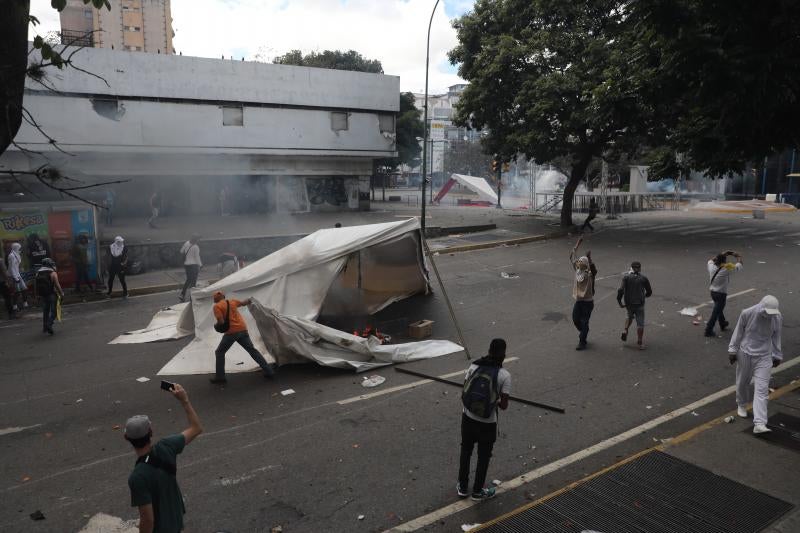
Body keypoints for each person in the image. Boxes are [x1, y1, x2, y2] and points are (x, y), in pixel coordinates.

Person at [125, 383, 203, 533]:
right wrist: (184, 400)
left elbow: (148, 520)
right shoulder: (166, 446)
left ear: (126, 437)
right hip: (176, 520)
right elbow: (196, 428)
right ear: (151, 432)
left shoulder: (137, 477)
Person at [458, 338, 511, 502]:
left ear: (489, 350)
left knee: (466, 450)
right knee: (483, 456)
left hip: (467, 417)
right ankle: (477, 491)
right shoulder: (504, 375)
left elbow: (466, 388)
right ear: (503, 355)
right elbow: (503, 406)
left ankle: (462, 486)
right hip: (487, 423)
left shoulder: (474, 366)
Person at [728, 295, 782, 434]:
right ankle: (742, 404)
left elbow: (776, 336)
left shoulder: (776, 317)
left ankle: (760, 423)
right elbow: (738, 331)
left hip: (764, 356)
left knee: (762, 389)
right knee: (742, 382)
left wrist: (777, 354)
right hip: (745, 353)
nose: (768, 316)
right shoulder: (747, 313)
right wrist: (732, 350)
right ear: (760, 307)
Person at [211, 291, 276, 384]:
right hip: (242, 329)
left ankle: (220, 377)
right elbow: (243, 303)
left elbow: (221, 322)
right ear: (224, 296)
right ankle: (269, 371)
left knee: (219, 352)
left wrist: (215, 326)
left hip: (231, 332)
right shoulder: (232, 302)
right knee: (252, 350)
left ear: (215, 299)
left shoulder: (217, 306)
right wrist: (250, 299)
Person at [705, 250, 743, 337]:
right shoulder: (726, 268)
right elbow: (739, 265)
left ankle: (723, 323)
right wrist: (738, 256)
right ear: (724, 261)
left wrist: (722, 254)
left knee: (718, 309)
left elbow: (710, 260)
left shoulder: (711, 266)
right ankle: (708, 330)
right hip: (721, 294)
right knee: (716, 312)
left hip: (713, 293)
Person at [617, 261, 653, 349]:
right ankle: (640, 342)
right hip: (639, 304)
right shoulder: (643, 278)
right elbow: (649, 291)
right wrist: (645, 296)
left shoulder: (626, 277)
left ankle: (625, 330)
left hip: (629, 304)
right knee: (640, 323)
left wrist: (620, 302)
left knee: (629, 317)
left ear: (631, 268)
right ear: (640, 268)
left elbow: (620, 290)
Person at [569, 239, 597, 350]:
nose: (579, 262)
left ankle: (582, 341)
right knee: (575, 319)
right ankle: (584, 331)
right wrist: (577, 243)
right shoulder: (577, 271)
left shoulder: (590, 274)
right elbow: (572, 256)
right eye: (579, 261)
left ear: (586, 265)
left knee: (584, 321)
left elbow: (594, 269)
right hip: (579, 301)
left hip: (588, 302)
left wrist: (589, 258)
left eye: (581, 262)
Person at [34, 258, 64, 335]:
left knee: (45, 311)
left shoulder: (38, 273)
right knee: (54, 312)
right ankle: (49, 324)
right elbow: (57, 285)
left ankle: (44, 327)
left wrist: (37, 295)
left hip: (43, 295)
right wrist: (61, 293)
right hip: (52, 294)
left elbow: (36, 286)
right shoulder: (53, 273)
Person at [179, 235, 201, 302]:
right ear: (196, 240)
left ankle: (182, 294)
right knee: (193, 281)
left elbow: (181, 251)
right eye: (198, 239)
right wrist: (200, 265)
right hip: (194, 265)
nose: (199, 241)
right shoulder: (196, 247)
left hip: (186, 265)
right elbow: (197, 258)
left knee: (188, 280)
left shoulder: (187, 243)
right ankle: (192, 297)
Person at [7, 242, 28, 311]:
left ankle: (25, 303)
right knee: (17, 291)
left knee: (24, 289)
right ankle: (14, 306)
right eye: (19, 248)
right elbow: (12, 267)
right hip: (13, 275)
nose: (20, 249)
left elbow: (17, 265)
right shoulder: (11, 256)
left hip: (18, 274)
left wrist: (20, 270)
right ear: (16, 248)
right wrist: (15, 278)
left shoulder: (17, 254)